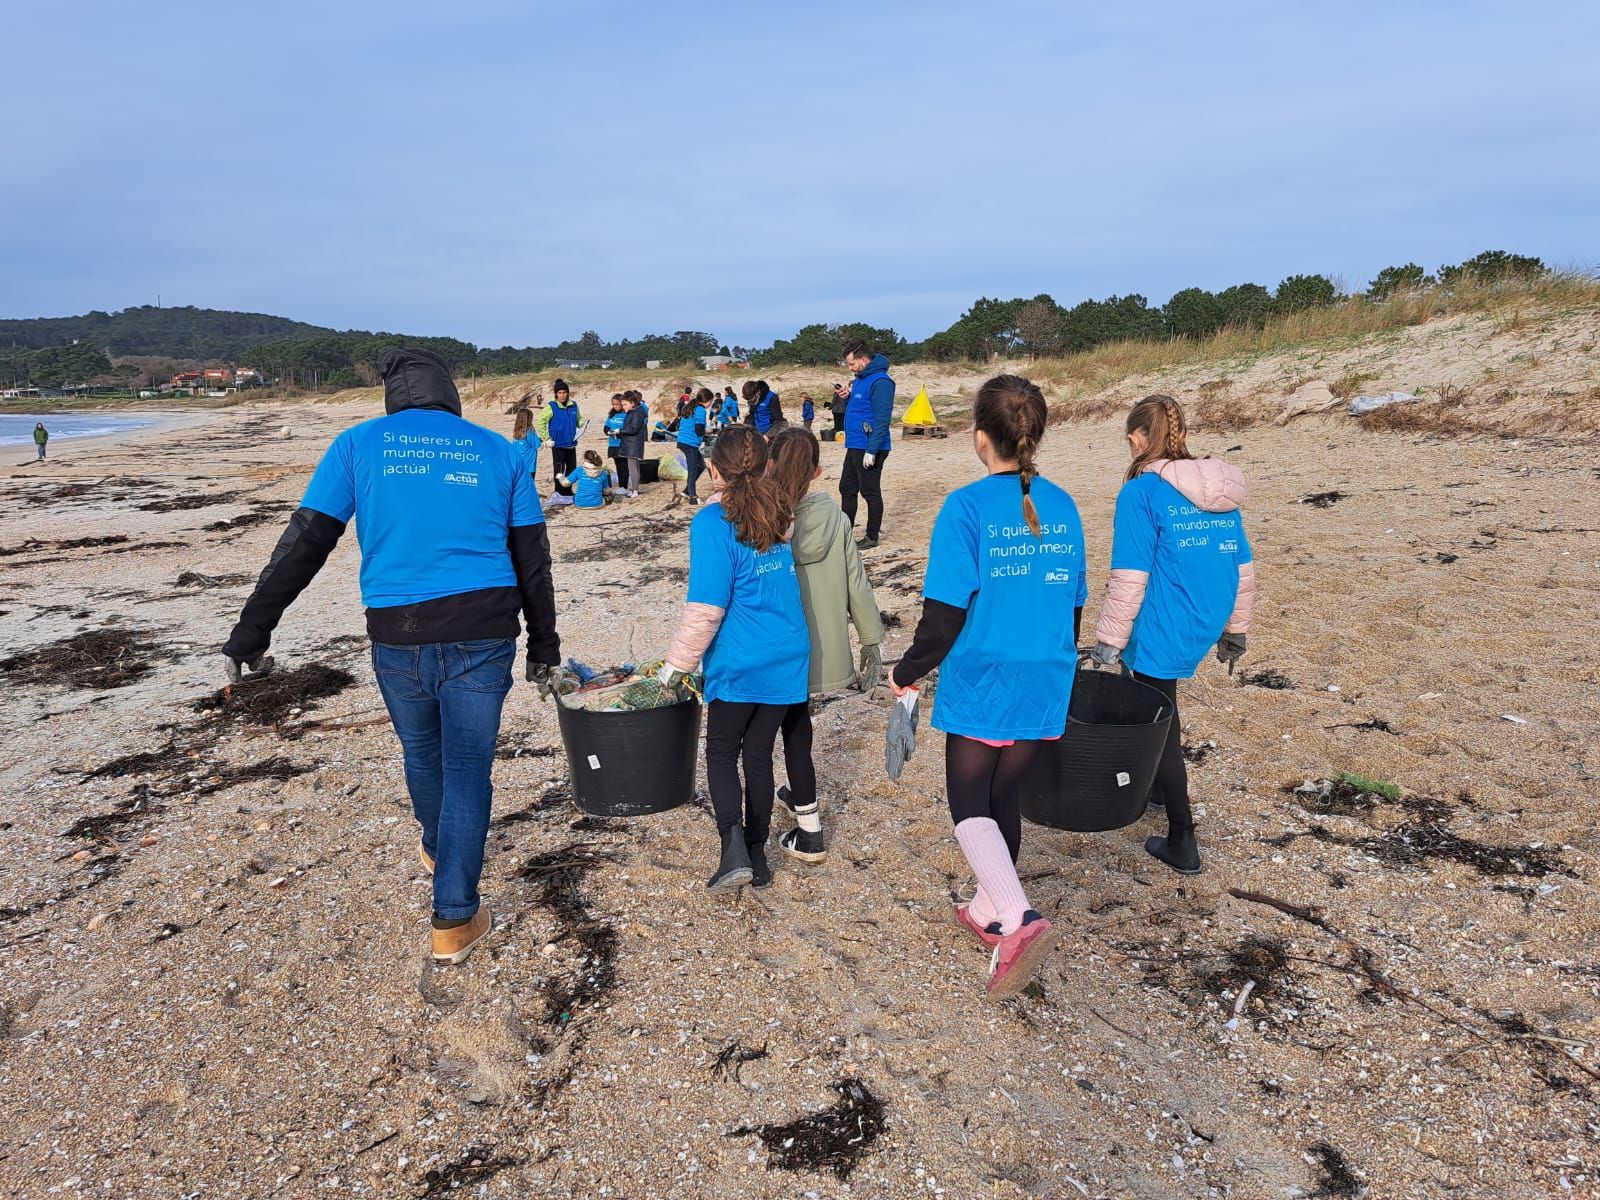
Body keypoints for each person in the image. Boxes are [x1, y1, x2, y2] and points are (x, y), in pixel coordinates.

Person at [222, 348, 560, 964]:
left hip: (397, 633)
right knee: (467, 769)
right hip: (484, 631)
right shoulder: (499, 452)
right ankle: (453, 915)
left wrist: (254, 628)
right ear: (450, 395)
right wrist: (545, 644)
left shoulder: (357, 444)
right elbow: (531, 559)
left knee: (424, 754)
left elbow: (305, 541)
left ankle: (441, 852)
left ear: (393, 398)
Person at [888, 374, 1086, 1001]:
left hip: (985, 675)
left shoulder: (966, 508)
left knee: (970, 803)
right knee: (1006, 795)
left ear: (981, 438)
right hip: (1047, 673)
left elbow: (945, 612)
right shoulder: (1065, 503)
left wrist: (908, 670)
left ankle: (1020, 923)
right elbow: (1072, 602)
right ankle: (987, 910)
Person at [1090, 394, 1254, 876]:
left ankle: (1183, 837)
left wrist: (1109, 641)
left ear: (1137, 438)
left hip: (1163, 621)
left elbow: (1130, 575)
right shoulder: (1219, 487)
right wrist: (1236, 630)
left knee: (1159, 721)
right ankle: (1159, 793)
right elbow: (1242, 565)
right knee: (1163, 701)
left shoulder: (1141, 492)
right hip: (1206, 615)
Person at [658, 426, 807, 892]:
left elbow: (706, 608)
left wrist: (676, 666)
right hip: (787, 653)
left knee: (722, 752)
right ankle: (758, 853)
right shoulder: (781, 510)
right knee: (759, 755)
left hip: (742, 660)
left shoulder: (711, 523)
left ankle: (734, 847)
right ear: (765, 466)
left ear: (714, 470)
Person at [766, 427, 885, 862]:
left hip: (770, 646)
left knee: (772, 733)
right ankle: (800, 796)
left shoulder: (763, 516)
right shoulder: (836, 518)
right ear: (818, 470)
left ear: (770, 464)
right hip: (817, 648)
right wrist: (871, 640)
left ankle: (809, 830)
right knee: (798, 727)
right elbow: (857, 582)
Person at [837, 340, 895, 550]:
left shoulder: (881, 382)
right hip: (854, 444)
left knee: (870, 491)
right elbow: (861, 408)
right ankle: (844, 532)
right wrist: (847, 397)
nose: (850, 368)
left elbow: (882, 419)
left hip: (870, 446)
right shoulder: (860, 380)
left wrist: (872, 450)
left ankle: (872, 536)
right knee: (846, 487)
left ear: (863, 360)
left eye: (852, 364)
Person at [547, 379, 581, 505]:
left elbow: (579, 419)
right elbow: (540, 422)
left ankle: (568, 491)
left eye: (564, 392)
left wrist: (583, 424)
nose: (562, 395)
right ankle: (559, 492)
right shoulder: (551, 406)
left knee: (571, 468)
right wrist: (547, 438)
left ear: (568, 393)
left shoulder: (574, 405)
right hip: (558, 444)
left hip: (571, 443)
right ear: (556, 394)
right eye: (560, 392)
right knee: (559, 469)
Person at [677, 386, 711, 504]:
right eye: (710, 402)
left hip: (683, 440)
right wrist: (706, 433)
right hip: (689, 443)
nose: (710, 404)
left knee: (701, 465)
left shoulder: (690, 407)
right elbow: (699, 429)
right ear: (707, 401)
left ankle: (687, 491)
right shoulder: (700, 410)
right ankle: (693, 497)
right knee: (693, 469)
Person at [618, 391, 647, 497]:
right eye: (623, 405)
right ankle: (634, 488)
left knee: (632, 467)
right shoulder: (634, 412)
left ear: (632, 403)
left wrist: (619, 431)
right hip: (632, 443)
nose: (623, 407)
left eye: (625, 404)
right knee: (634, 466)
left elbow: (633, 429)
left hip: (633, 444)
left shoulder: (636, 413)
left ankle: (634, 490)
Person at [511, 408, 542, 492]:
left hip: (518, 463)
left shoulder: (516, 432)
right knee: (529, 485)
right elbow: (537, 445)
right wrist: (542, 440)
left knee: (520, 484)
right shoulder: (530, 431)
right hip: (529, 465)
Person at [604, 393, 627, 493]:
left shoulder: (626, 414)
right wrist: (608, 432)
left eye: (617, 404)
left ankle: (624, 486)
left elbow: (628, 429)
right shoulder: (611, 415)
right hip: (613, 444)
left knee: (624, 466)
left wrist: (619, 433)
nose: (615, 406)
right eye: (614, 404)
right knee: (618, 465)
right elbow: (606, 427)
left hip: (623, 444)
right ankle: (621, 486)